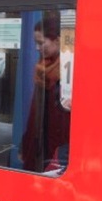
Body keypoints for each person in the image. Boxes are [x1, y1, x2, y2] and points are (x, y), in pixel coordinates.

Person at [20, 15, 71, 173]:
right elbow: (34, 113)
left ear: (57, 40)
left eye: (41, 43)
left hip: (62, 147)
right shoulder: (43, 67)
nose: (37, 48)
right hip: (40, 143)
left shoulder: (70, 70)